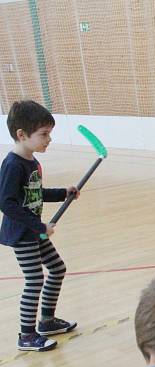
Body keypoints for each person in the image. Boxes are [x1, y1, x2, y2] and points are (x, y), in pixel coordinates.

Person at [0, 100, 79, 351]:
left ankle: (46, 322)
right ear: (22, 135)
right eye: (44, 134)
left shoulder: (31, 161)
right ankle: (26, 335)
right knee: (34, 280)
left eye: (49, 134)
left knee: (57, 268)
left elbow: (34, 193)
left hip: (33, 231)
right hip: (22, 233)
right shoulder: (12, 164)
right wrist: (39, 226)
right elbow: (7, 204)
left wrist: (62, 193)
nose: (49, 140)